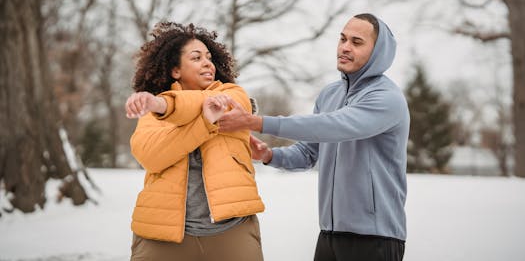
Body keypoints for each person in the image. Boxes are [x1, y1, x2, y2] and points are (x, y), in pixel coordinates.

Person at [218, 13, 409, 261]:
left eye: (357, 42)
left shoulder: (386, 98)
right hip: (329, 234)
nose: (345, 47)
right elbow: (308, 153)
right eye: (342, 39)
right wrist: (269, 155)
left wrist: (257, 121)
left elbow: (335, 126)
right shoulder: (330, 94)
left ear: (378, 51)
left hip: (376, 238)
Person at [124, 22, 265, 261]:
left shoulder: (233, 96)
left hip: (232, 232)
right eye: (196, 57)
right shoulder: (154, 111)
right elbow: (151, 158)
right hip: (163, 236)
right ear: (175, 70)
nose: (208, 63)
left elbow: (201, 103)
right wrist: (203, 124)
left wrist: (162, 104)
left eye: (209, 57)